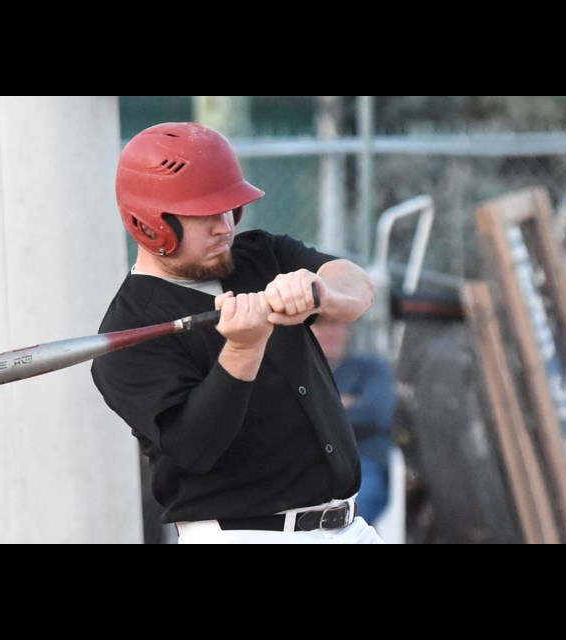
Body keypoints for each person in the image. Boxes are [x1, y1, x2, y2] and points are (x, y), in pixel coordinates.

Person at [91, 122, 382, 544]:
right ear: (151, 224)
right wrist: (243, 349)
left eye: (229, 209)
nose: (224, 226)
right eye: (205, 215)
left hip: (349, 526)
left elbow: (359, 289)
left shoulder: (259, 255)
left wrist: (317, 291)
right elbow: (195, 448)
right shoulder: (131, 331)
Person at [310, 318, 397, 523]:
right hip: (311, 469)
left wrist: (317, 410)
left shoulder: (373, 368)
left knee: (347, 518)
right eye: (321, 326)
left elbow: (376, 414)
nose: (329, 333)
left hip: (363, 465)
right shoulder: (300, 373)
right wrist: (343, 404)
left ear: (348, 330)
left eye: (335, 324)